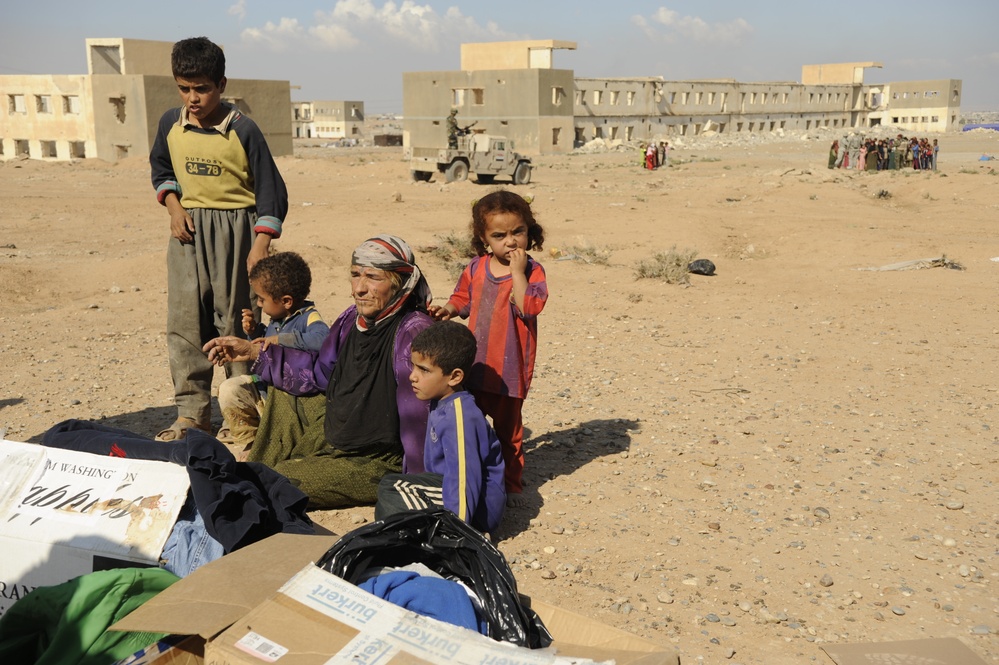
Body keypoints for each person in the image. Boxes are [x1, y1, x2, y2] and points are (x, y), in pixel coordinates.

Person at [203, 235, 433, 509]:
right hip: (342, 427)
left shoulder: (412, 332)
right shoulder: (351, 320)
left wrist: (418, 482)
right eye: (355, 275)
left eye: (373, 277)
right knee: (281, 391)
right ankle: (269, 462)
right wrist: (254, 352)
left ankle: (281, 469)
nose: (360, 288)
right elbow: (320, 373)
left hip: (380, 456)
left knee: (278, 483)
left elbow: (419, 417)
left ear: (399, 282)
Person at [150, 36, 288, 442]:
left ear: (221, 85)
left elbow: (271, 191)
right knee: (185, 321)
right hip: (188, 234)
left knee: (237, 319)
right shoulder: (169, 125)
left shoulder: (243, 129)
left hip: (238, 233)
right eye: (185, 88)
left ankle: (239, 412)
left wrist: (259, 245)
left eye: (202, 88)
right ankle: (193, 413)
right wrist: (174, 208)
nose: (193, 98)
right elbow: (161, 170)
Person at [430, 191, 548, 507]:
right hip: (476, 366)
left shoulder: (532, 272)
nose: (510, 242)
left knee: (509, 433)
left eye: (518, 232)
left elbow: (529, 307)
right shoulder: (476, 268)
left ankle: (511, 486)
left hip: (510, 371)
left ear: (529, 231)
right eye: (499, 235)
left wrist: (517, 273)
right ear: (484, 239)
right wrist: (449, 310)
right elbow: (463, 299)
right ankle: (473, 474)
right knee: (471, 423)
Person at [375, 321, 506, 533]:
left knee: (391, 489)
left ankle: (441, 534)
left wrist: (460, 532)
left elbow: (464, 479)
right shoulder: (441, 400)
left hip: (478, 510)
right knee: (390, 496)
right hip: (446, 489)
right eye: (414, 366)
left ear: (455, 377)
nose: (412, 376)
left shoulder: (461, 416)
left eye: (424, 370)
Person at [215, 252, 329, 458]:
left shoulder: (309, 316)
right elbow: (264, 350)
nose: (258, 304)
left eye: (261, 299)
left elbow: (323, 339)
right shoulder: (277, 317)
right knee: (229, 389)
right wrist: (254, 332)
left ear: (286, 301)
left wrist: (281, 339)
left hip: (290, 402)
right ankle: (251, 442)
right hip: (266, 390)